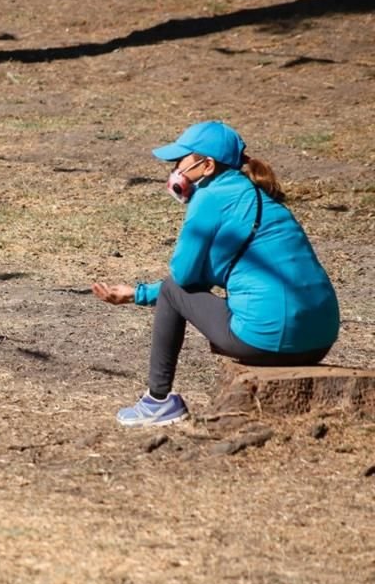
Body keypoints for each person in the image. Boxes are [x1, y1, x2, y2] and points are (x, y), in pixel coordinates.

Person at [92, 120, 340, 427]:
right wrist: (138, 294)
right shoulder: (263, 200)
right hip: (320, 340)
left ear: (206, 165)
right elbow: (205, 278)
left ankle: (158, 402)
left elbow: (182, 280)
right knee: (175, 290)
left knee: (171, 288)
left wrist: (145, 293)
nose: (174, 171)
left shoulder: (209, 198)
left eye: (179, 162)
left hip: (264, 341)